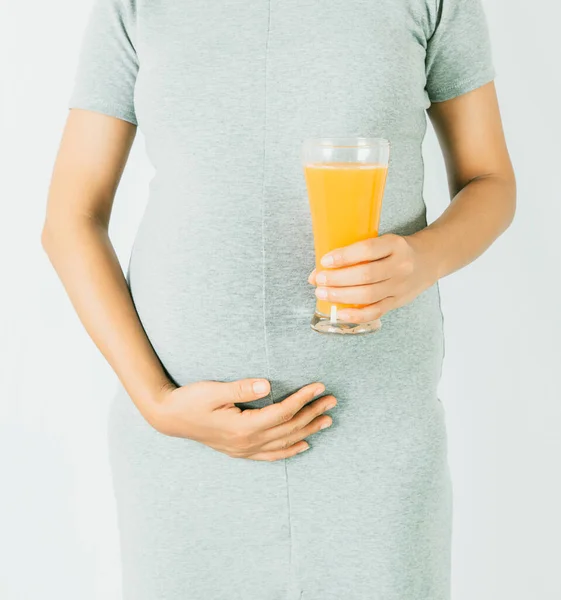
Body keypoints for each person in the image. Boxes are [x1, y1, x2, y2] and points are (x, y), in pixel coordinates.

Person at [41, 0, 516, 598]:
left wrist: (426, 258)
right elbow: (70, 218)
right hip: (185, 440)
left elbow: (491, 181)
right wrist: (157, 403)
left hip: (375, 435)